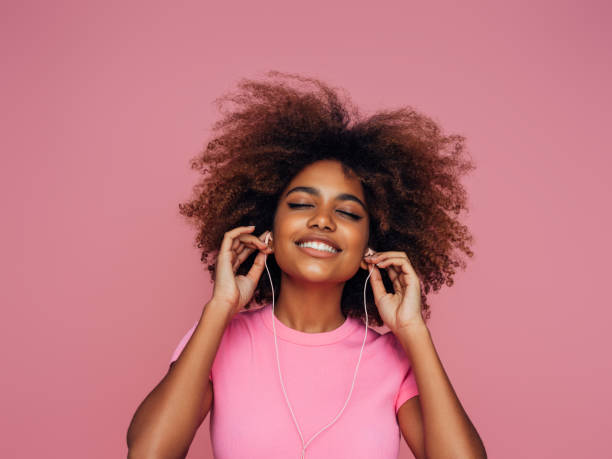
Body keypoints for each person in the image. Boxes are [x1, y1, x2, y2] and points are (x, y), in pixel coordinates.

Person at [126, 71, 487, 458]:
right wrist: (218, 309)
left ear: (371, 246)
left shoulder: (393, 360)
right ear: (269, 227)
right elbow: (149, 453)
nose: (323, 220)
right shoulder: (218, 337)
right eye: (301, 204)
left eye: (347, 213)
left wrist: (413, 331)